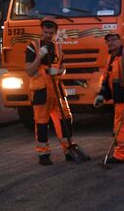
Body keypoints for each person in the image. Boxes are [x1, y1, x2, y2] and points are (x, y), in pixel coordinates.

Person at [25, 17, 77, 166]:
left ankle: (68, 150)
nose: (48, 35)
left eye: (51, 33)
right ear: (42, 30)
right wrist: (39, 56)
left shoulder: (58, 48)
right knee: (41, 123)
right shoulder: (33, 47)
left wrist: (58, 71)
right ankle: (43, 154)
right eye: (46, 32)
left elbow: (64, 68)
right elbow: (29, 70)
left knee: (66, 119)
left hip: (57, 91)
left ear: (55, 32)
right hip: (41, 91)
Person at [93, 33, 124, 164]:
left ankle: (120, 154)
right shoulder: (112, 57)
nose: (111, 42)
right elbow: (107, 79)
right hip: (120, 97)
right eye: (108, 40)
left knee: (120, 126)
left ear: (121, 41)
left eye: (114, 39)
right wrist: (102, 95)